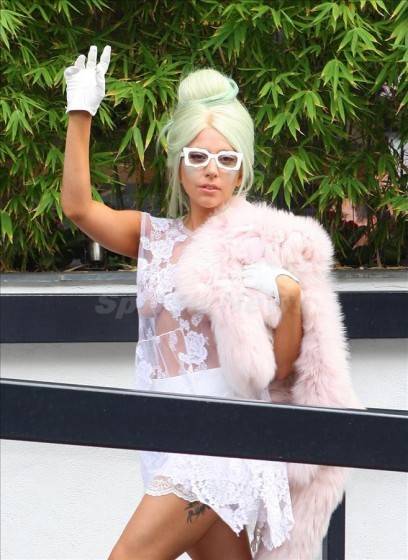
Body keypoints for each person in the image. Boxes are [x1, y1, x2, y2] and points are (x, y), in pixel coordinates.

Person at [62, 45, 303, 560]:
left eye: (226, 159)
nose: (211, 170)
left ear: (242, 171)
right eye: (197, 156)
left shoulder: (258, 245)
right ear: (178, 166)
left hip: (224, 438)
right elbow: (79, 207)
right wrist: (80, 112)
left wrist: (290, 295)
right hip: (166, 433)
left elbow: (280, 370)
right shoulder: (154, 237)